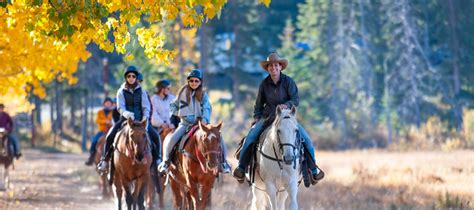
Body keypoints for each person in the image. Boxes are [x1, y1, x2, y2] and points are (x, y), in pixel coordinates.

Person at [232, 53, 324, 184]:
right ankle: (241, 168)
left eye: (276, 65)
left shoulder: (289, 82)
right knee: (250, 137)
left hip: (286, 118)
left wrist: (286, 105)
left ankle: (313, 171)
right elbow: (259, 104)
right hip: (268, 117)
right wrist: (256, 117)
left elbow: (295, 99)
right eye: (270, 66)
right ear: (268, 68)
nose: (273, 68)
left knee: (307, 140)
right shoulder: (264, 84)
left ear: (280, 67)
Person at [157, 69, 231, 174]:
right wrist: (179, 113)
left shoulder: (204, 94)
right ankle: (165, 162)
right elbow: (172, 106)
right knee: (171, 138)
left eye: (196, 81)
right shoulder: (182, 92)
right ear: (188, 81)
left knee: (219, 137)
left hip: (203, 125)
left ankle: (224, 163)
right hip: (185, 124)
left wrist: (204, 120)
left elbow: (206, 108)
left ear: (200, 82)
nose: (194, 83)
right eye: (191, 81)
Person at [97, 66, 162, 173]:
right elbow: (120, 107)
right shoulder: (120, 91)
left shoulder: (142, 91)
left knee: (155, 136)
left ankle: (158, 160)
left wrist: (145, 118)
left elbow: (146, 106)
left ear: (136, 77)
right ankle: (104, 160)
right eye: (129, 76)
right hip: (125, 120)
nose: (131, 78)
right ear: (126, 78)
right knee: (110, 136)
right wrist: (127, 114)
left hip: (141, 121)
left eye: (133, 76)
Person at [84, 97, 114, 166]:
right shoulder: (100, 112)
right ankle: (91, 157)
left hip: (110, 131)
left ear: (111, 104)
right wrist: (105, 121)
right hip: (101, 131)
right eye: (107, 103)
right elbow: (97, 120)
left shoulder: (113, 112)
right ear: (104, 104)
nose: (108, 104)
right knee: (94, 142)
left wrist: (111, 123)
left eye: (109, 103)